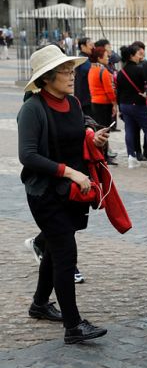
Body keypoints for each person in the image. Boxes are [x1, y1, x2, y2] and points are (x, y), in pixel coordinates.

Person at [17, 44, 111, 344]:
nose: (72, 76)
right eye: (64, 71)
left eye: (72, 70)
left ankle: (40, 304)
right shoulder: (32, 108)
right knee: (65, 253)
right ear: (47, 78)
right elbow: (28, 156)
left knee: (56, 250)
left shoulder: (72, 103)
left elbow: (77, 135)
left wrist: (94, 138)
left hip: (72, 191)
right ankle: (73, 326)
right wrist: (69, 172)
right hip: (45, 192)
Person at [117, 44, 147, 169]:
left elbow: (118, 92)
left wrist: (120, 107)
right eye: (138, 53)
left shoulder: (121, 72)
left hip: (125, 105)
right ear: (131, 55)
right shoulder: (140, 70)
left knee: (129, 131)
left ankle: (131, 157)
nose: (140, 56)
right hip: (138, 104)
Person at [88, 47, 116, 132]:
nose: (108, 58)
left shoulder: (91, 70)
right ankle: (104, 145)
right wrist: (114, 103)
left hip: (95, 102)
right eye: (106, 56)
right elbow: (109, 90)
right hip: (104, 103)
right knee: (104, 129)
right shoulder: (103, 71)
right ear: (99, 58)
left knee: (99, 128)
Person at [74, 38, 94, 116]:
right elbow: (91, 71)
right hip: (85, 97)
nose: (92, 47)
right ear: (82, 46)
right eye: (90, 45)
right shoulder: (83, 59)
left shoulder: (86, 58)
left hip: (84, 97)